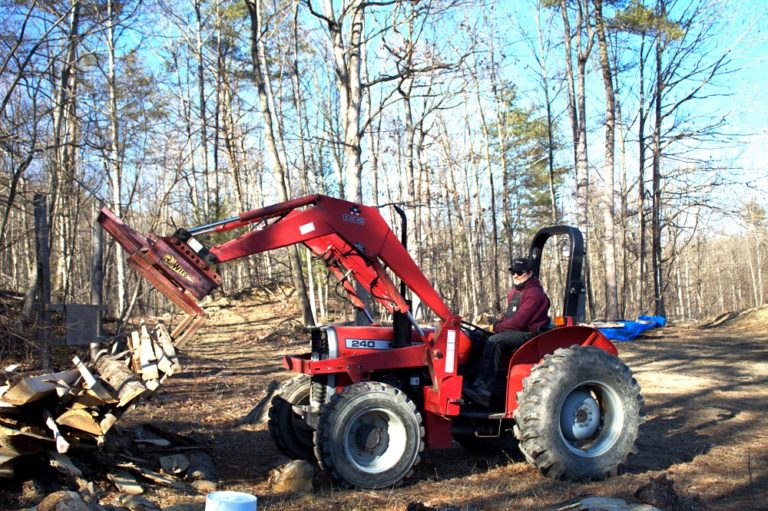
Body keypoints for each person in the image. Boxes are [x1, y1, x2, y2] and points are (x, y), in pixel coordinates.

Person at [464, 257, 550, 406]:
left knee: (495, 340)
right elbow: (511, 318)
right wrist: (493, 322)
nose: (515, 275)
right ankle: (468, 381)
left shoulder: (534, 294)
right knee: (477, 336)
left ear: (529, 273)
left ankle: (483, 390)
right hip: (516, 330)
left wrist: (494, 327)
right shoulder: (516, 292)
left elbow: (519, 323)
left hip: (530, 334)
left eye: (519, 272)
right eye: (513, 272)